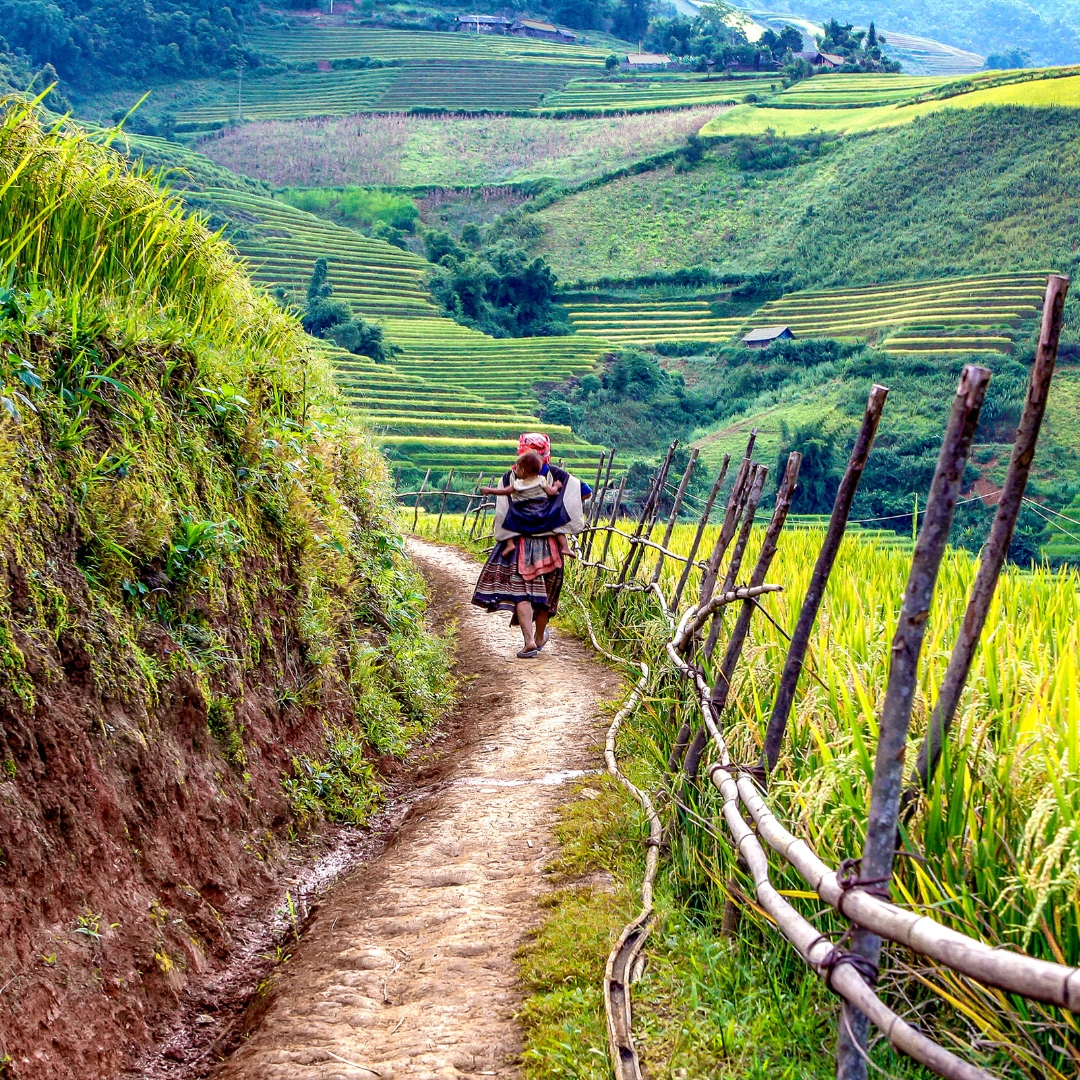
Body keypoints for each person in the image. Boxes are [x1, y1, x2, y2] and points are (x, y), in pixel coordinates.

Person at [471, 433, 591, 658]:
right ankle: (539, 636)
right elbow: (584, 493)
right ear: (547, 455)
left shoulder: (511, 478)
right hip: (552, 544)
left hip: (521, 545)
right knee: (546, 595)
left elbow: (503, 510)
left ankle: (528, 641)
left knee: (522, 593)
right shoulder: (560, 477)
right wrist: (554, 508)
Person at [480, 449, 570, 560]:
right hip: (542, 511)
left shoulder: (518, 484)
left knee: (508, 519)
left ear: (522, 470)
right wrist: (556, 486)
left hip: (522, 512)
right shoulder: (542, 480)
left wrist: (489, 490)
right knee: (556, 521)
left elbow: (504, 492)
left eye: (516, 467)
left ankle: (510, 543)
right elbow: (551, 492)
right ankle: (565, 547)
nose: (515, 469)